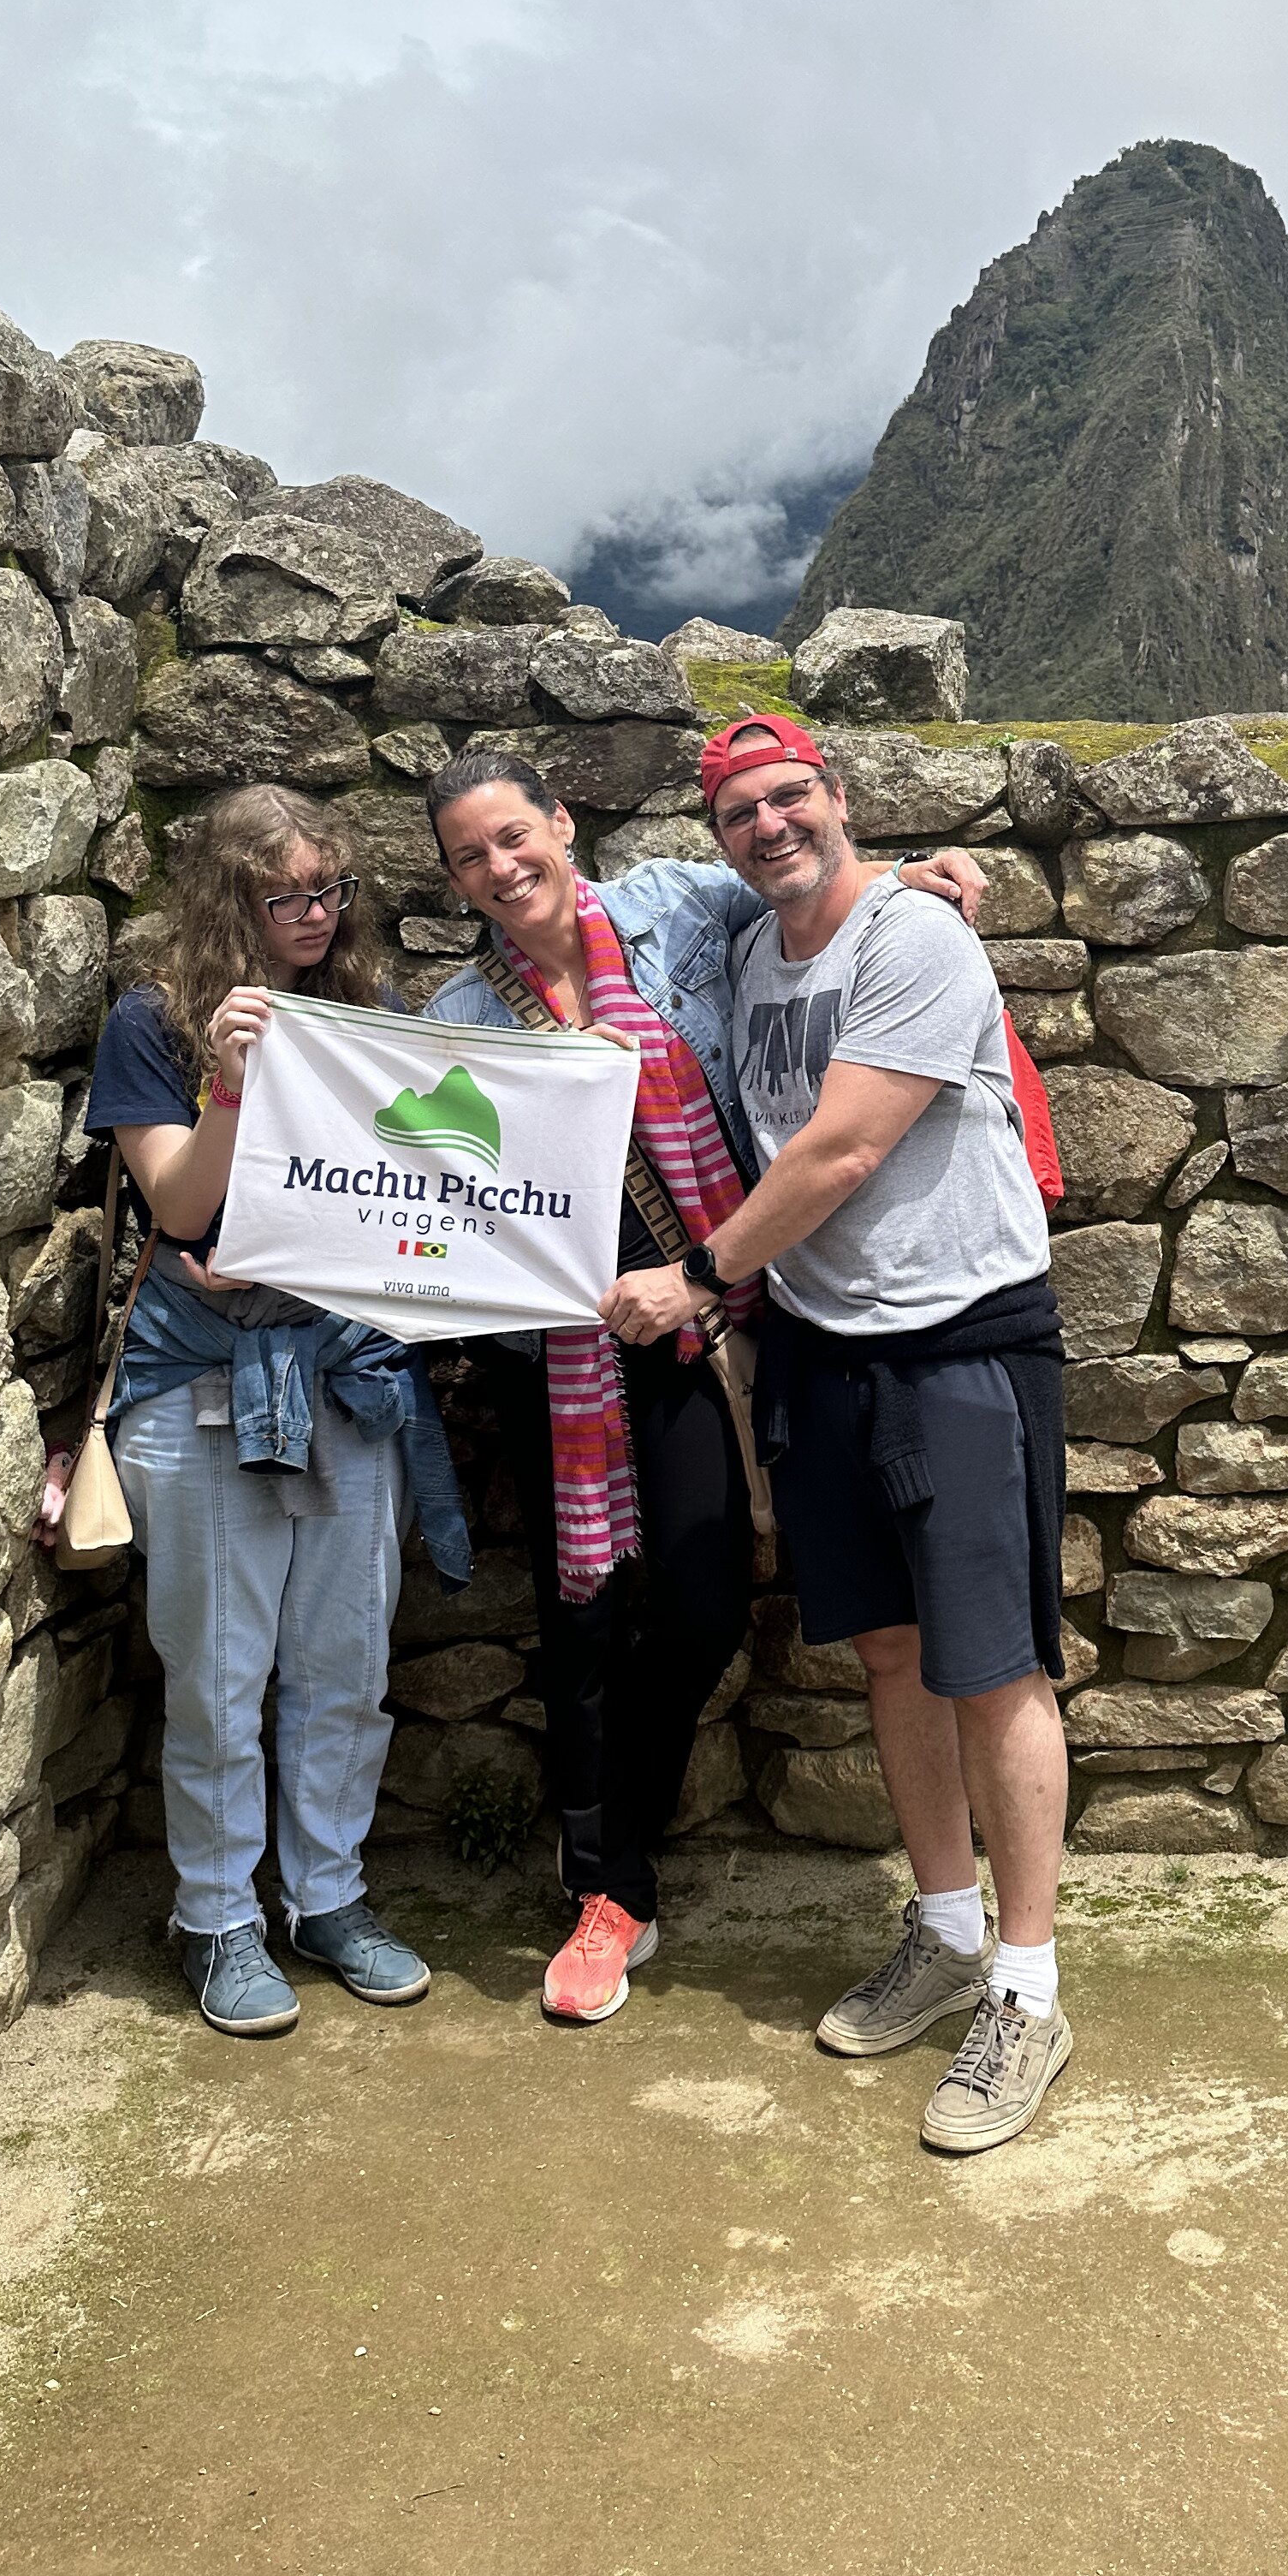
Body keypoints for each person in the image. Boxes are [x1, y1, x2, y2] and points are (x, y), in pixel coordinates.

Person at [418, 752, 993, 2026]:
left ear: (563, 824)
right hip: (565, 1340)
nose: (503, 869)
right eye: (470, 857)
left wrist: (906, 877)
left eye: (517, 836)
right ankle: (608, 1890)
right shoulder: (462, 1011)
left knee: (700, 1597)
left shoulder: (676, 907)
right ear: (452, 877)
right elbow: (416, 1179)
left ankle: (616, 1851)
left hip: (711, 1305)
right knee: (583, 1617)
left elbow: (802, 893)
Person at [602, 714, 1070, 2157]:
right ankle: (939, 1929)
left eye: (790, 797)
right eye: (741, 812)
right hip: (822, 1349)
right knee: (888, 1651)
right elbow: (585, 909)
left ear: (837, 797)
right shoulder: (750, 955)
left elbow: (845, 1145)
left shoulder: (916, 945)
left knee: (993, 1664)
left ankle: (1029, 1990)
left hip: (956, 1345)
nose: (770, 827)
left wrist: (697, 1276)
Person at [80, 783, 471, 2038]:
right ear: (230, 901)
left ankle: (325, 1899)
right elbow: (182, 1212)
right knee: (217, 1675)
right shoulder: (154, 1023)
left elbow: (402, 1193)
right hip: (197, 1378)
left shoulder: (369, 1009)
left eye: (331, 890)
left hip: (344, 1369)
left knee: (347, 1669)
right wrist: (234, 1086)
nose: (314, 914)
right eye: (286, 894)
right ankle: (217, 1920)